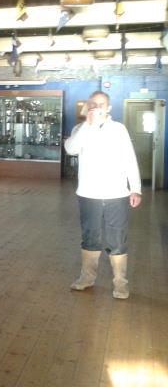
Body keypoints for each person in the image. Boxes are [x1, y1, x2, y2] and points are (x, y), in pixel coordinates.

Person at [64, 90, 141, 300]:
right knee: (90, 237)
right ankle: (86, 278)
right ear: (89, 107)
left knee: (117, 239)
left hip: (117, 194)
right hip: (89, 194)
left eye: (102, 104)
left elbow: (129, 159)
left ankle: (120, 283)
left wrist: (135, 188)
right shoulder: (80, 129)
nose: (97, 107)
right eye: (94, 104)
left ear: (108, 107)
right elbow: (70, 149)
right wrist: (87, 126)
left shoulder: (119, 129)